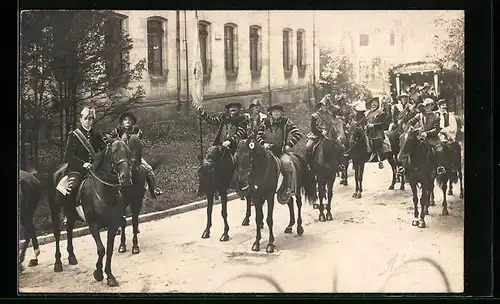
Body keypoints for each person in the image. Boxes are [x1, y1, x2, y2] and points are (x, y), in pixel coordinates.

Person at [107, 112, 163, 198]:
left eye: (129, 119)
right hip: (121, 156)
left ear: (133, 121)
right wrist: (114, 138)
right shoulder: (117, 131)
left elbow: (138, 144)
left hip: (134, 155)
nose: (127, 121)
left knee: (148, 168)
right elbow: (111, 140)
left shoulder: (137, 131)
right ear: (122, 122)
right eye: (125, 119)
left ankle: (154, 190)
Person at [256, 104, 303, 204]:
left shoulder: (286, 122)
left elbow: (298, 134)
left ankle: (287, 189)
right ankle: (255, 190)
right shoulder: (265, 123)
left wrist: (289, 145)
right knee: (254, 164)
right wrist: (263, 144)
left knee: (287, 165)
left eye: (278, 111)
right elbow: (258, 136)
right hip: (267, 152)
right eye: (274, 111)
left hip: (280, 152)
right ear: (271, 113)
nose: (276, 113)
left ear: (282, 113)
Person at [404, 98, 445, 174]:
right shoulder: (419, 115)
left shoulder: (436, 117)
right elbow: (410, 122)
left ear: (432, 106)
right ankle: (404, 167)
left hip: (432, 138)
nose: (426, 107)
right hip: (419, 137)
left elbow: (436, 129)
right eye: (425, 106)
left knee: (439, 149)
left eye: (428, 105)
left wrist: (427, 133)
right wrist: (409, 126)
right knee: (407, 145)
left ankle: (439, 167)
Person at [305, 96, 338, 170]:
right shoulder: (314, 116)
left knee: (340, 145)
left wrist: (335, 133)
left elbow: (333, 125)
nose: (325, 107)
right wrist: (321, 132)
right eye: (324, 105)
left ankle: (340, 164)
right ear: (320, 105)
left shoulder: (330, 115)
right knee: (308, 146)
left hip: (329, 135)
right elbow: (313, 128)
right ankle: (308, 165)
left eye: (327, 105)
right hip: (317, 135)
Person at [364, 97, 389, 169]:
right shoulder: (368, 113)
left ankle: (379, 159)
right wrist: (365, 126)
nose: (374, 104)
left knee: (376, 140)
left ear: (378, 104)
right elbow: (365, 122)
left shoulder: (381, 113)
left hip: (377, 131)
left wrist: (374, 125)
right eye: (372, 103)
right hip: (368, 131)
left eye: (375, 103)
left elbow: (384, 124)